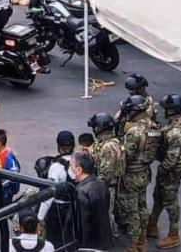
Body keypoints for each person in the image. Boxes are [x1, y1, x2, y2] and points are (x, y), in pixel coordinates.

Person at [147, 94, 181, 249]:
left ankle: (174, 235)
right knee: (158, 194)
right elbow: (163, 132)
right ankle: (152, 224)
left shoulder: (176, 132)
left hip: (172, 170)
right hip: (173, 167)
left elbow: (172, 157)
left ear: (171, 110)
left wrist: (163, 168)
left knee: (170, 200)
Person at [118, 94, 161, 252]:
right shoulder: (154, 127)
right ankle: (143, 240)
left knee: (131, 210)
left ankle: (134, 244)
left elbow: (126, 154)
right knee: (142, 206)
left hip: (131, 175)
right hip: (144, 172)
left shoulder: (133, 132)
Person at [35, 131, 76, 249]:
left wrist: (40, 218)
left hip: (58, 211)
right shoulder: (80, 160)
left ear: (59, 147)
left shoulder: (55, 167)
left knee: (56, 242)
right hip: (77, 208)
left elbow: (49, 195)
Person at [88, 112, 125, 240]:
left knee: (106, 214)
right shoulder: (103, 143)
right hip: (104, 185)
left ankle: (110, 238)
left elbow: (106, 174)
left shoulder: (109, 147)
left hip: (107, 187)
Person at [72, 151, 113, 250]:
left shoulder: (81, 192)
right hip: (104, 239)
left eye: (71, 166)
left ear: (79, 170)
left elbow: (82, 224)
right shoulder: (101, 184)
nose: (70, 169)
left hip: (89, 245)